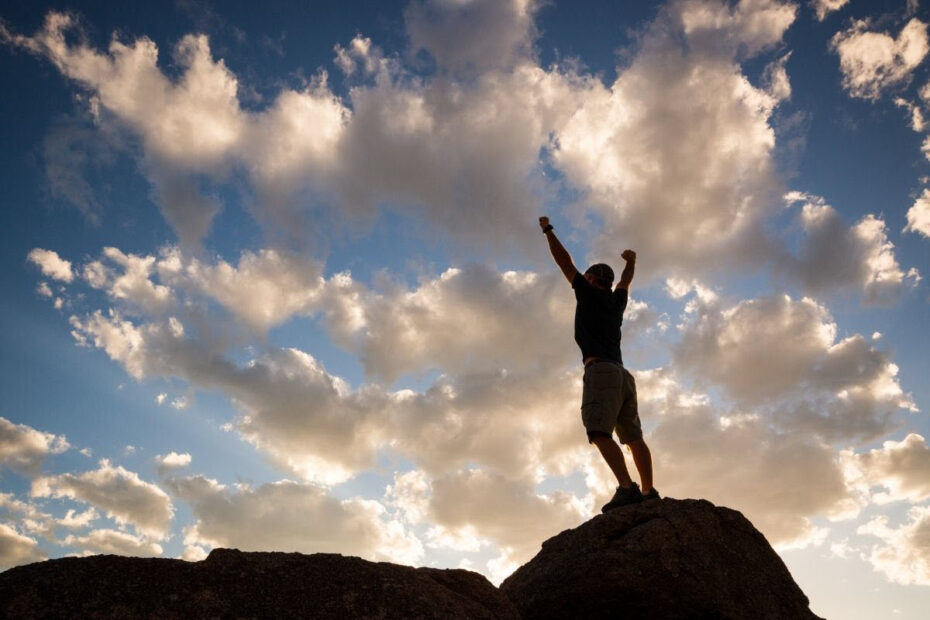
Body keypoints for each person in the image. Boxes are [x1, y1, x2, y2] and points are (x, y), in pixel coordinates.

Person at [538, 215, 659, 512]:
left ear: (591, 280)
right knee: (633, 436)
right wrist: (631, 260)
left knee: (599, 432)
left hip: (601, 371)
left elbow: (564, 262)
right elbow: (626, 280)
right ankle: (648, 491)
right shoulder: (617, 302)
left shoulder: (587, 293)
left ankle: (626, 488)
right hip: (622, 375)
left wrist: (548, 230)